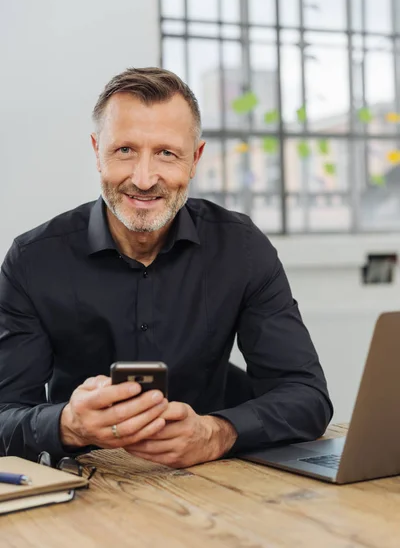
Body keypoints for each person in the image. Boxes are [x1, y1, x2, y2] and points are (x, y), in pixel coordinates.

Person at [0, 68, 333, 467]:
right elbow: (5, 413)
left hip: (215, 481)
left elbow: (307, 396)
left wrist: (217, 433)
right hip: (85, 483)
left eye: (166, 153)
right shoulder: (34, 259)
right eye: (124, 150)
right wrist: (68, 425)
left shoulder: (241, 248)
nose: (143, 179)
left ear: (195, 160)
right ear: (96, 152)